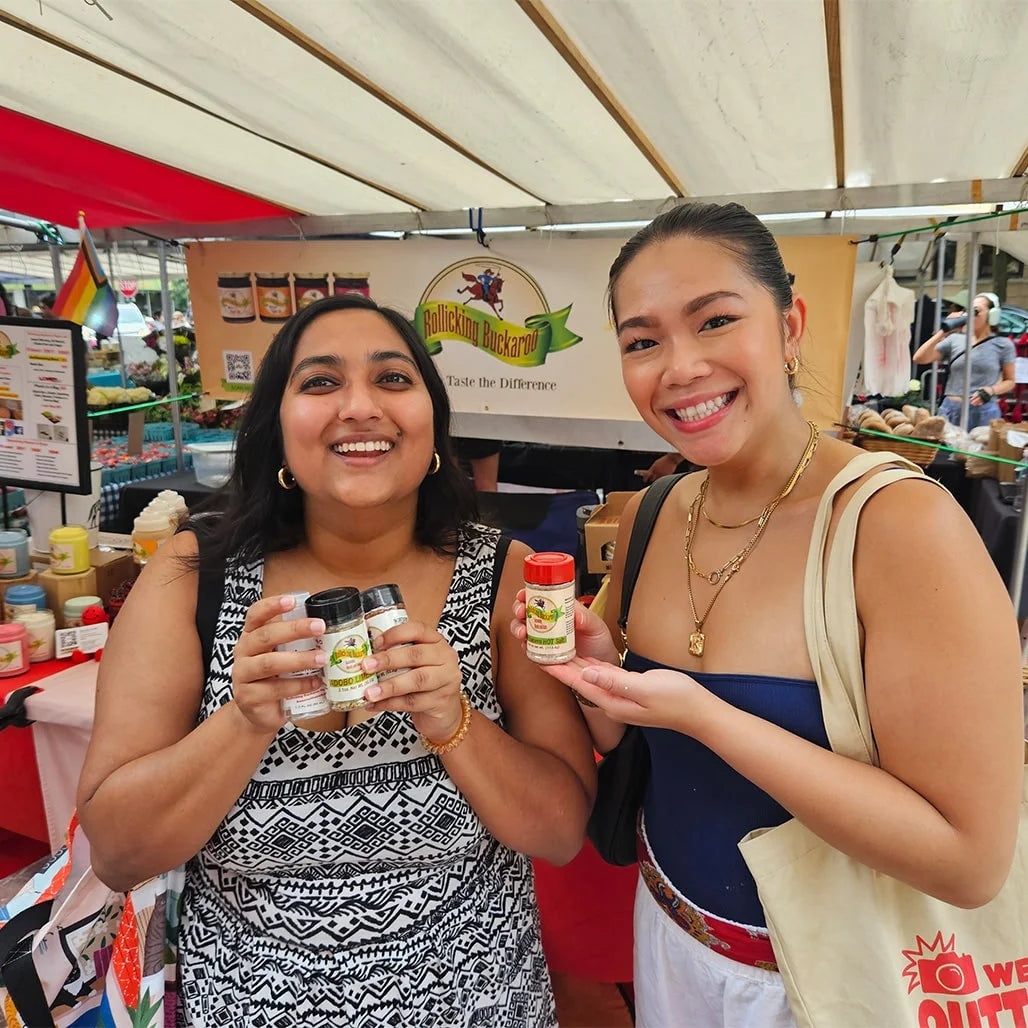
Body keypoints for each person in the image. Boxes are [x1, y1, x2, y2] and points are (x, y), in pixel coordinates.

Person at [512, 203, 1024, 1026]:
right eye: (642, 341)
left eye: (715, 320)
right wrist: (604, 674)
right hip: (672, 942)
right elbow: (629, 744)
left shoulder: (898, 527)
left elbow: (968, 861)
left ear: (790, 326)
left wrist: (707, 717)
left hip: (837, 978)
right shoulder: (652, 514)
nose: (679, 366)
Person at [78, 293, 596, 1027]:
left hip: (482, 1004)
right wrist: (246, 719)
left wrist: (454, 723)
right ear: (276, 429)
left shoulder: (502, 574)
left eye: (392, 379)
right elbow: (118, 854)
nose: (359, 406)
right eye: (320, 382)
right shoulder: (192, 577)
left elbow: (561, 830)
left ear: (434, 424)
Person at [912, 292, 1015, 429]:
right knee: (946, 450)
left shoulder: (1002, 344)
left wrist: (991, 390)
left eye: (976, 311)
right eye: (968, 311)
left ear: (992, 315)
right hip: (951, 409)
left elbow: (1010, 381)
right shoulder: (956, 340)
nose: (970, 316)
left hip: (983, 411)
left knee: (979, 450)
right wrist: (944, 331)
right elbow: (920, 358)